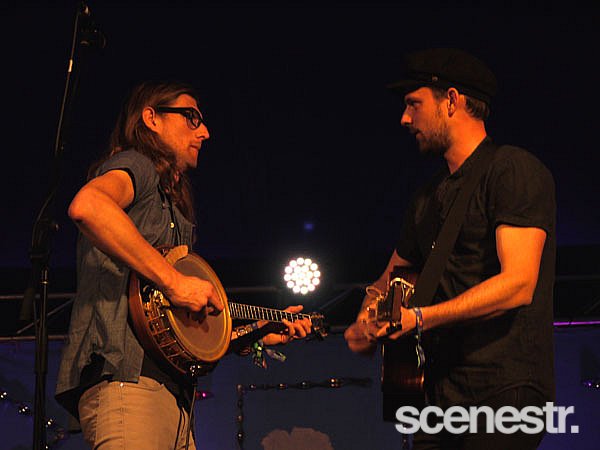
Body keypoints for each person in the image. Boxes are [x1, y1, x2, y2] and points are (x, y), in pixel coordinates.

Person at [55, 80, 312, 449]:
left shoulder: (174, 209)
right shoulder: (136, 166)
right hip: (128, 383)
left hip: (174, 399)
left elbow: (182, 332)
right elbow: (89, 206)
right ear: (151, 118)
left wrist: (255, 332)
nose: (204, 132)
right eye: (191, 117)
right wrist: (174, 281)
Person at [344, 48, 556, 449]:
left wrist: (420, 318)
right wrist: (365, 320)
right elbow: (389, 278)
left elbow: (519, 284)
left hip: (503, 391)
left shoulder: (512, 170)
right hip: (438, 397)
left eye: (414, 103)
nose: (404, 119)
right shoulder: (427, 198)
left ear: (452, 101)